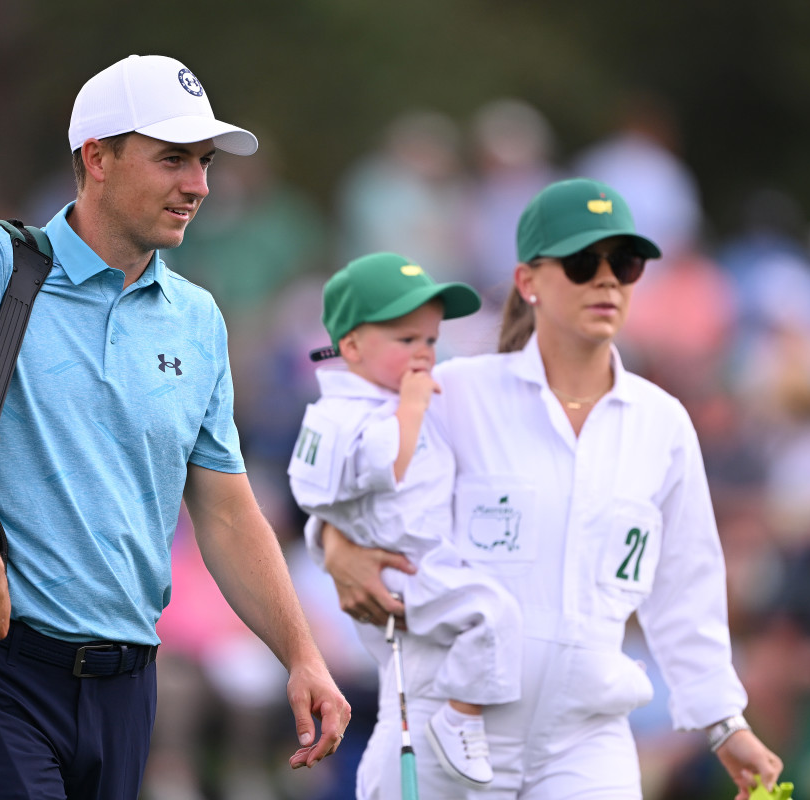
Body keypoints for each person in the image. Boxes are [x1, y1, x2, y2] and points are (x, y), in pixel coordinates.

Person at [0, 54, 349, 799]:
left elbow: (224, 508)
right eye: (174, 159)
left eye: (205, 163)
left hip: (130, 689)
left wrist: (302, 654)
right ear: (98, 158)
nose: (199, 186)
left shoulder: (198, 319)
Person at [314, 178, 784, 799]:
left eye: (626, 263)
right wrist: (332, 542)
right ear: (528, 280)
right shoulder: (457, 393)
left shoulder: (661, 421)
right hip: (443, 728)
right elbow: (351, 473)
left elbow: (685, 584)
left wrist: (724, 723)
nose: (608, 279)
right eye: (584, 262)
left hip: (587, 742)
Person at [289, 252, 522, 789]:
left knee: (487, 616)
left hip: (419, 563)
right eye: (405, 340)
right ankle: (459, 718)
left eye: (430, 341)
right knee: (492, 615)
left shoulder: (387, 400)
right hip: (402, 570)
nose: (423, 355)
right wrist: (412, 407)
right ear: (351, 346)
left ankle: (458, 715)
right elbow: (383, 467)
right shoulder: (362, 410)